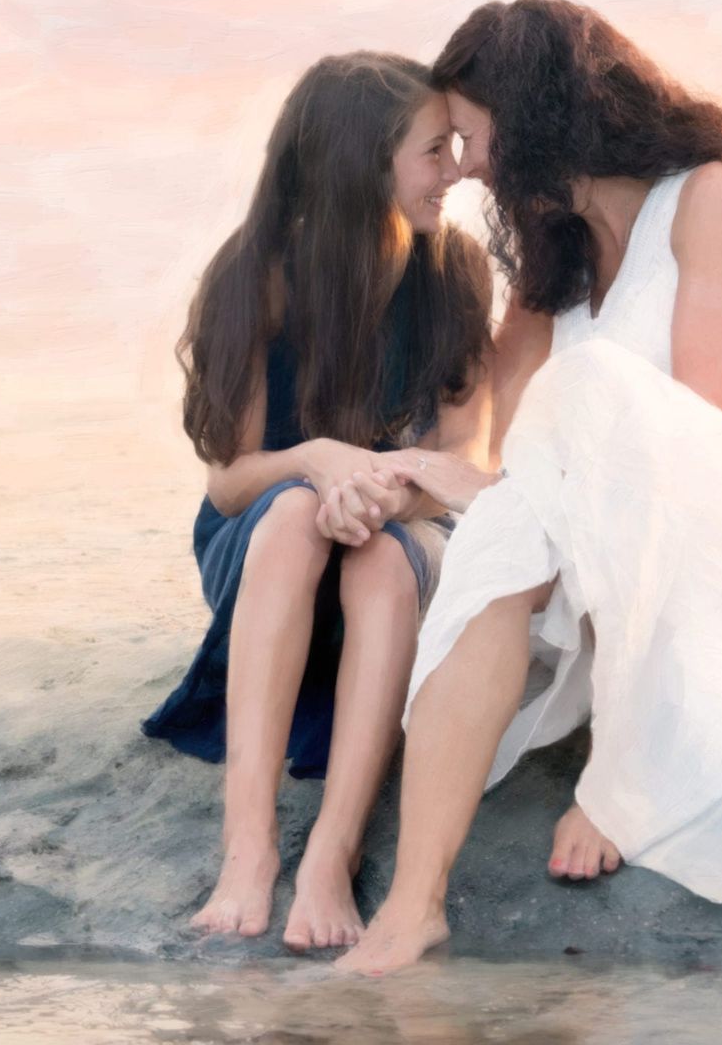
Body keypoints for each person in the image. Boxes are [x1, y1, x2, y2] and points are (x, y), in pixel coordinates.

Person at [337, 0, 722, 975]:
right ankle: (413, 904)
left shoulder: (719, 198)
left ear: (534, 115)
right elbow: (488, 420)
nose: (469, 165)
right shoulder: (555, 254)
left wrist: (483, 479)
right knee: (505, 532)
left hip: (719, 539)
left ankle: (624, 775)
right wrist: (410, 473)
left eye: (470, 138)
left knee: (589, 408)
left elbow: (696, 431)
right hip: (577, 538)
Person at [141, 51, 494, 950]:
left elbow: (467, 461)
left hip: (397, 529)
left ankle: (330, 858)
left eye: (456, 146)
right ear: (360, 164)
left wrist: (382, 490)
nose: (456, 170)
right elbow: (230, 479)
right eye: (433, 151)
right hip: (269, 547)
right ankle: (249, 850)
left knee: (374, 557)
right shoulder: (257, 273)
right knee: (298, 509)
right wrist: (320, 460)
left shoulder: (454, 271)